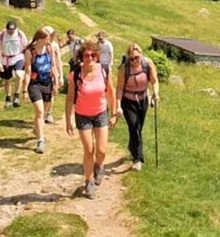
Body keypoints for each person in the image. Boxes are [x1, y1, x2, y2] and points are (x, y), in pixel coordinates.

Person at [65, 41, 117, 199]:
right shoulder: (76, 75)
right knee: (89, 150)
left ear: (97, 56)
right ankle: (89, 181)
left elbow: (111, 93)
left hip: (100, 113)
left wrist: (114, 114)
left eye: (93, 55)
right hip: (82, 115)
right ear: (81, 57)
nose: (90, 58)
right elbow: (69, 98)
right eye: (86, 55)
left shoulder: (104, 70)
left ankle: (99, 166)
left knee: (102, 150)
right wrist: (68, 120)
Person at [114, 43, 160, 171]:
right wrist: (118, 106)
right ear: (128, 57)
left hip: (143, 99)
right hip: (128, 102)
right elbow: (119, 88)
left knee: (138, 128)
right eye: (132, 58)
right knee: (134, 127)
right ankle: (138, 159)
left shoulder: (147, 64)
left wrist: (156, 94)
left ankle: (131, 146)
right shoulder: (124, 68)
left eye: (137, 57)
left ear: (141, 55)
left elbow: (154, 81)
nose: (135, 60)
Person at [24, 28, 56, 153]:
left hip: (47, 82)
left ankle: (37, 127)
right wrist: (25, 90)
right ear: (40, 39)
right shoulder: (30, 51)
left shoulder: (49, 49)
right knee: (39, 111)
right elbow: (27, 71)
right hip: (34, 83)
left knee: (44, 110)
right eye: (47, 38)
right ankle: (40, 141)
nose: (50, 41)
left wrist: (57, 80)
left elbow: (52, 65)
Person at [0, 20, 27, 108]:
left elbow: (25, 47)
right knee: (7, 80)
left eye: (13, 30)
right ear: (6, 29)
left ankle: (16, 96)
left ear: (16, 29)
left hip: (18, 56)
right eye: (9, 30)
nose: (11, 32)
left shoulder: (20, 34)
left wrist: (26, 59)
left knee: (19, 75)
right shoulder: (1, 36)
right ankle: (8, 98)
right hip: (6, 59)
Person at [41, 26, 63, 124]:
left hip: (52, 73)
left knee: (51, 94)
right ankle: (42, 114)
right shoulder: (40, 44)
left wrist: (60, 75)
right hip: (41, 73)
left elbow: (58, 61)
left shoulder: (54, 45)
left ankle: (48, 113)